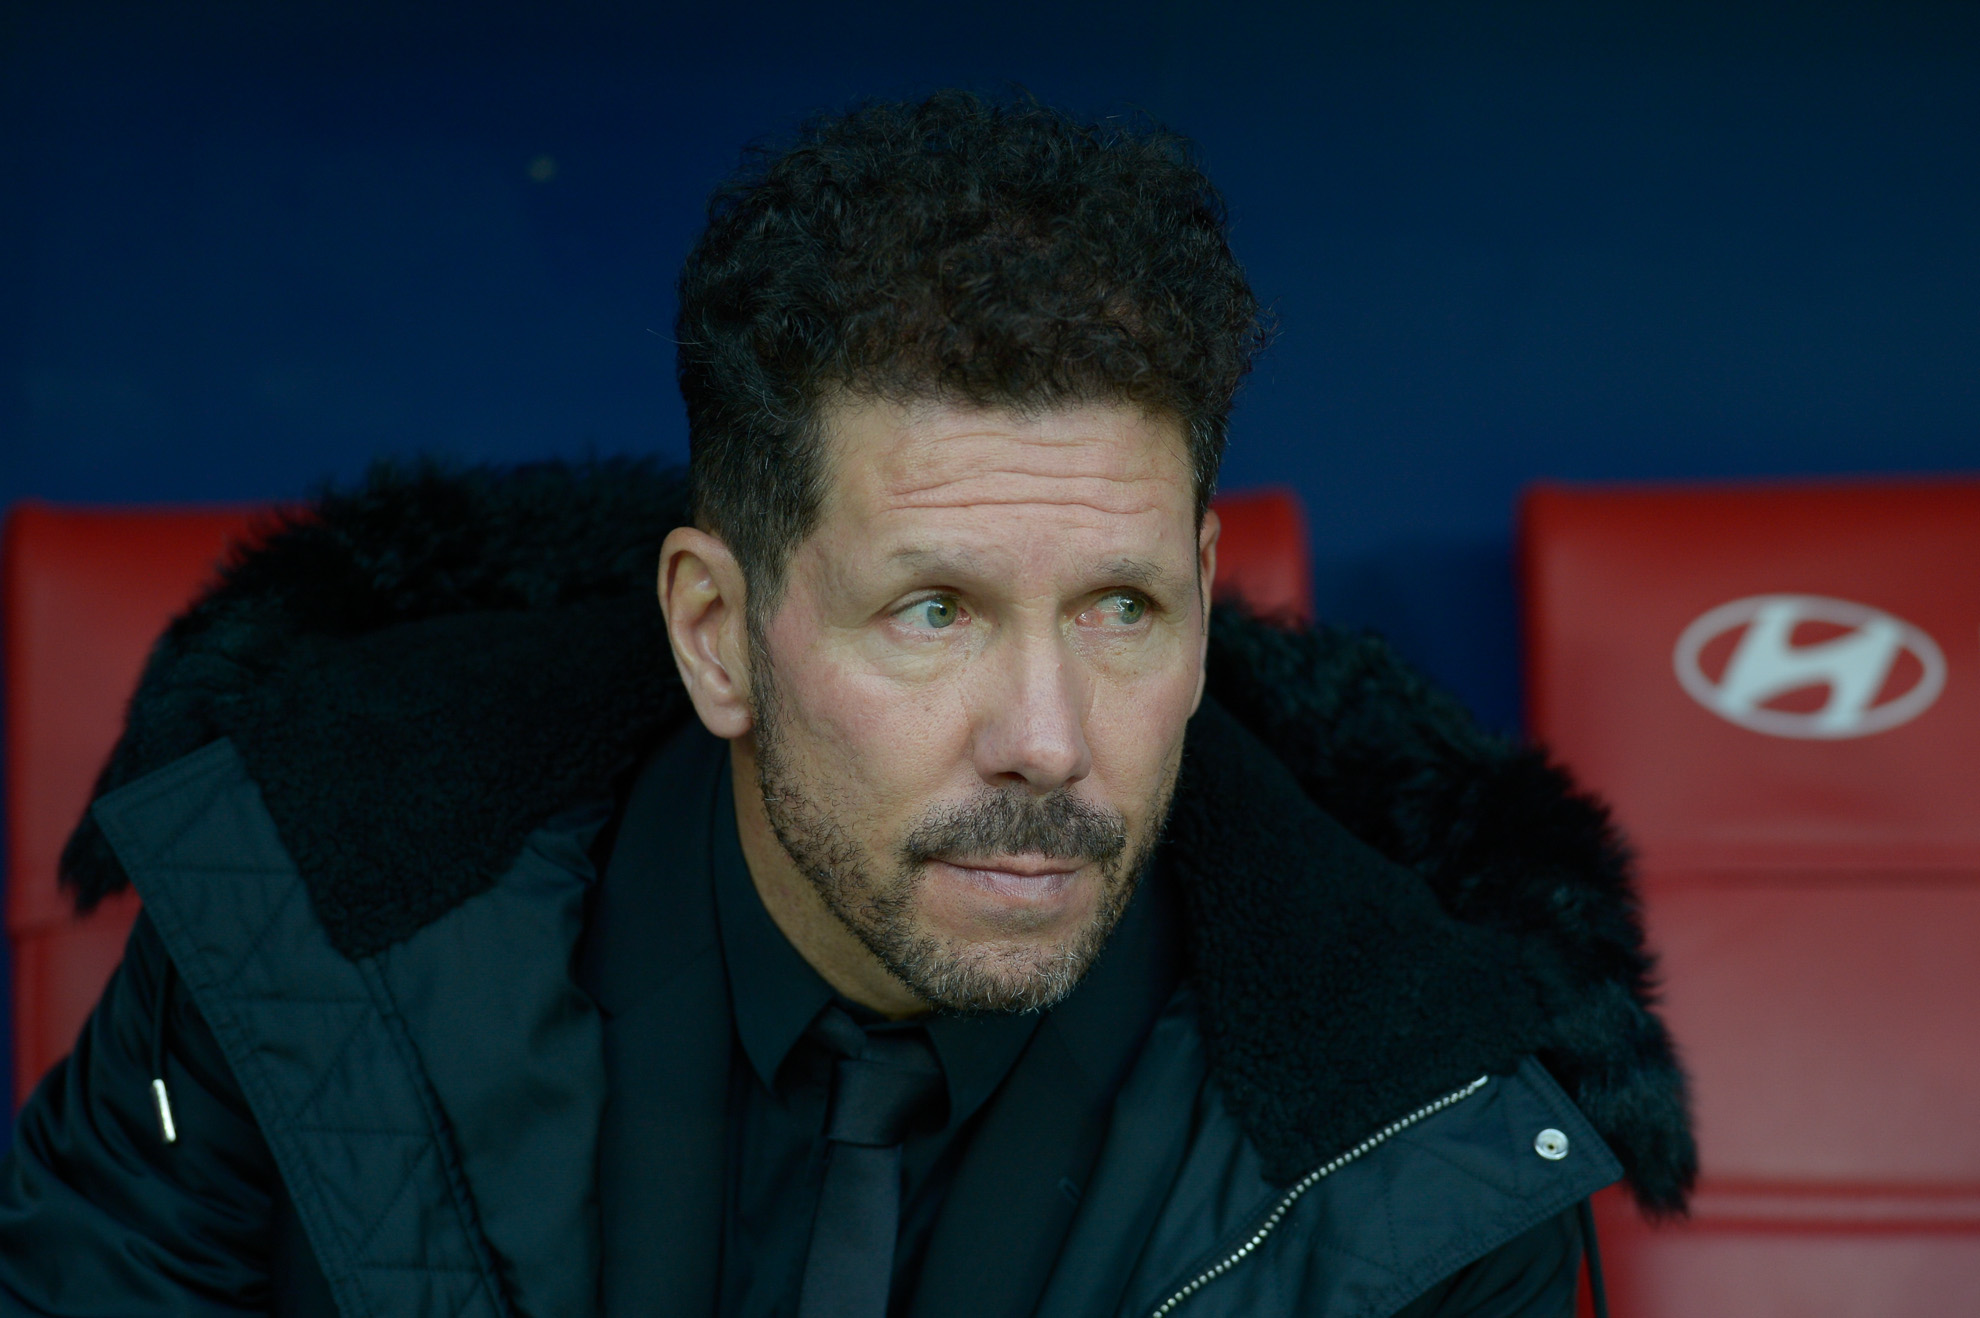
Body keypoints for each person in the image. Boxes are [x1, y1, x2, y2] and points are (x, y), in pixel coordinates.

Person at [0, 92, 1692, 1317]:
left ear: (1199, 590)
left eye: (1121, 608)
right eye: (935, 609)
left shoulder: (1429, 1146)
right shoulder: (310, 905)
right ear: (717, 631)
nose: (1048, 735)